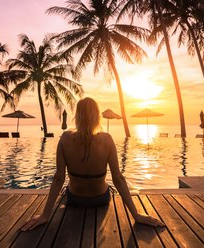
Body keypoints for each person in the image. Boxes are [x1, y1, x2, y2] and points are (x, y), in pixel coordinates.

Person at [21, 97, 164, 231]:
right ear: (97, 117)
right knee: (109, 185)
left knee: (66, 189)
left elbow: (59, 178)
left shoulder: (65, 138)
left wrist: (45, 215)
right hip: (100, 198)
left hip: (74, 199)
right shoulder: (107, 139)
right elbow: (118, 178)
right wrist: (136, 215)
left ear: (77, 116)